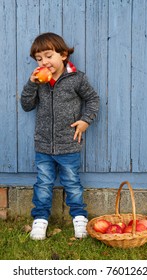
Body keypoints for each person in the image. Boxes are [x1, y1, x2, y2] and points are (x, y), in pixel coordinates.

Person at [21, 32, 99, 240]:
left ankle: (79, 217)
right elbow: (26, 105)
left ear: (63, 55)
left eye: (48, 56)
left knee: (72, 183)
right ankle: (40, 219)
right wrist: (31, 83)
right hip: (44, 145)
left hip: (69, 144)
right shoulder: (39, 80)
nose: (44, 62)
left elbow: (92, 99)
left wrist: (85, 121)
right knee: (43, 183)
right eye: (39, 59)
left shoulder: (77, 78)